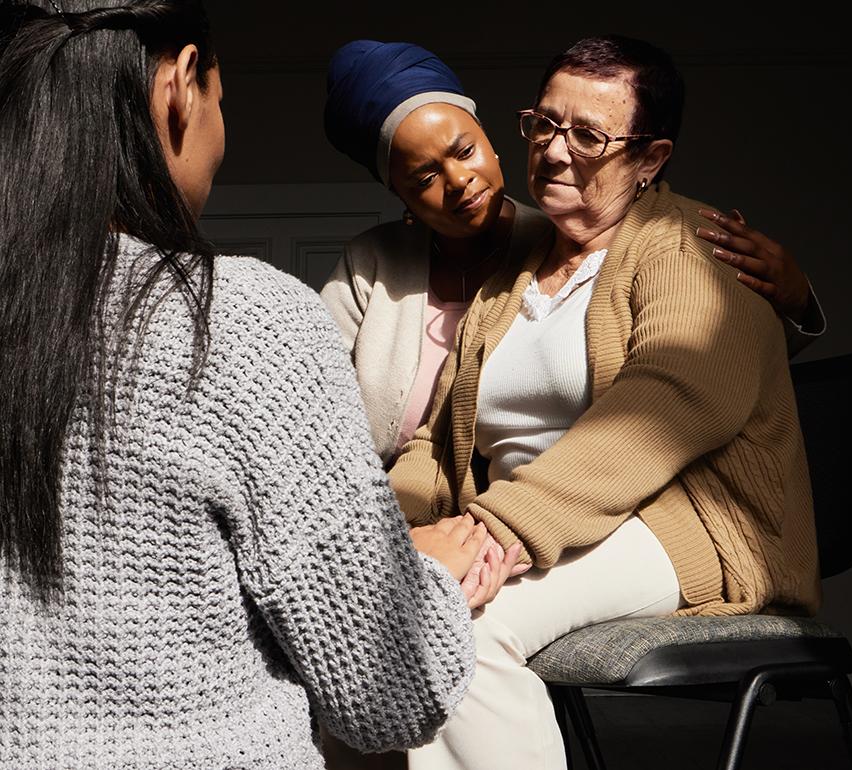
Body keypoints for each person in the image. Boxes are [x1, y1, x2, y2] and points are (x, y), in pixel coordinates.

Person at [0, 3, 504, 768]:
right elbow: (389, 691)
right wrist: (427, 573)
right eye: (221, 101)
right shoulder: (239, 321)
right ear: (180, 86)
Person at [387, 35, 821, 770]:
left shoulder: (692, 250)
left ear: (650, 158)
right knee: (363, 613)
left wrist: (494, 529)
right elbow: (438, 439)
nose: (555, 152)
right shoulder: (509, 281)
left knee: (454, 625)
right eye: (545, 124)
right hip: (547, 524)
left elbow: (669, 405)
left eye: (588, 135)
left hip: (675, 525)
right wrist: (380, 536)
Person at [319, 40, 825, 471]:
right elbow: (315, 407)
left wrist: (796, 302)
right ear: (401, 197)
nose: (458, 182)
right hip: (398, 499)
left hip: (547, 508)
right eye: (424, 179)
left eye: (465, 151)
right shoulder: (374, 264)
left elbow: (709, 351)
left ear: (490, 142)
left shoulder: (574, 232)